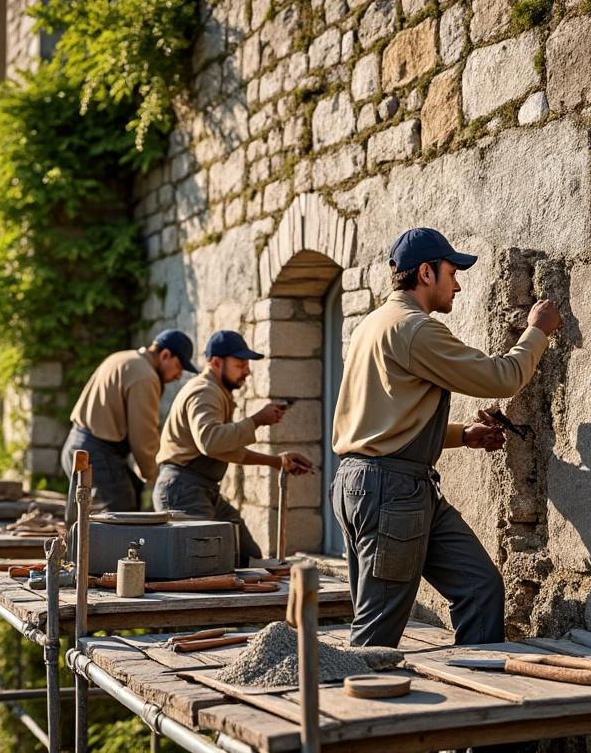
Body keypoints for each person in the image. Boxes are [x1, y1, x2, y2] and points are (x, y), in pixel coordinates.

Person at [330, 227, 562, 647]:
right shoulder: (415, 329)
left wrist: (464, 436)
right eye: (452, 273)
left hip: (379, 484)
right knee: (375, 637)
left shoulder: (372, 324)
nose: (457, 285)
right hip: (392, 492)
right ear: (425, 273)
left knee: (480, 587)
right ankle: (350, 709)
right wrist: (538, 330)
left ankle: (479, 695)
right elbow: (502, 377)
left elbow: (383, 426)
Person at [153, 330, 313, 565]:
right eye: (240, 364)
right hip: (182, 492)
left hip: (202, 491)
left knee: (248, 556)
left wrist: (276, 462)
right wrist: (257, 420)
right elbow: (211, 441)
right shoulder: (204, 392)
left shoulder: (215, 391)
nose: (247, 371)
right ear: (216, 362)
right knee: (202, 567)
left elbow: (221, 448)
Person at [60, 329, 197, 513]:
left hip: (75, 445)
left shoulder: (122, 358)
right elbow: (143, 438)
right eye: (179, 367)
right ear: (165, 355)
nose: (179, 375)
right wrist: (157, 477)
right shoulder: (146, 376)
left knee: (83, 520)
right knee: (123, 518)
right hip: (97, 454)